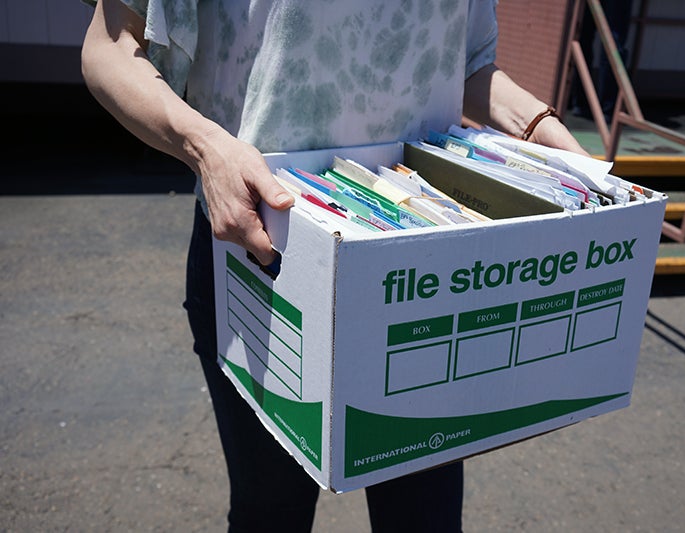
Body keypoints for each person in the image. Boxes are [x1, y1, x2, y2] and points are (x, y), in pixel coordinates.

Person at [81, 1, 589, 531]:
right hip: (263, 263)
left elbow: (463, 63)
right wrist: (205, 148)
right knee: (271, 514)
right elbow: (111, 47)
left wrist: (534, 124)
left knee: (425, 517)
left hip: (424, 272)